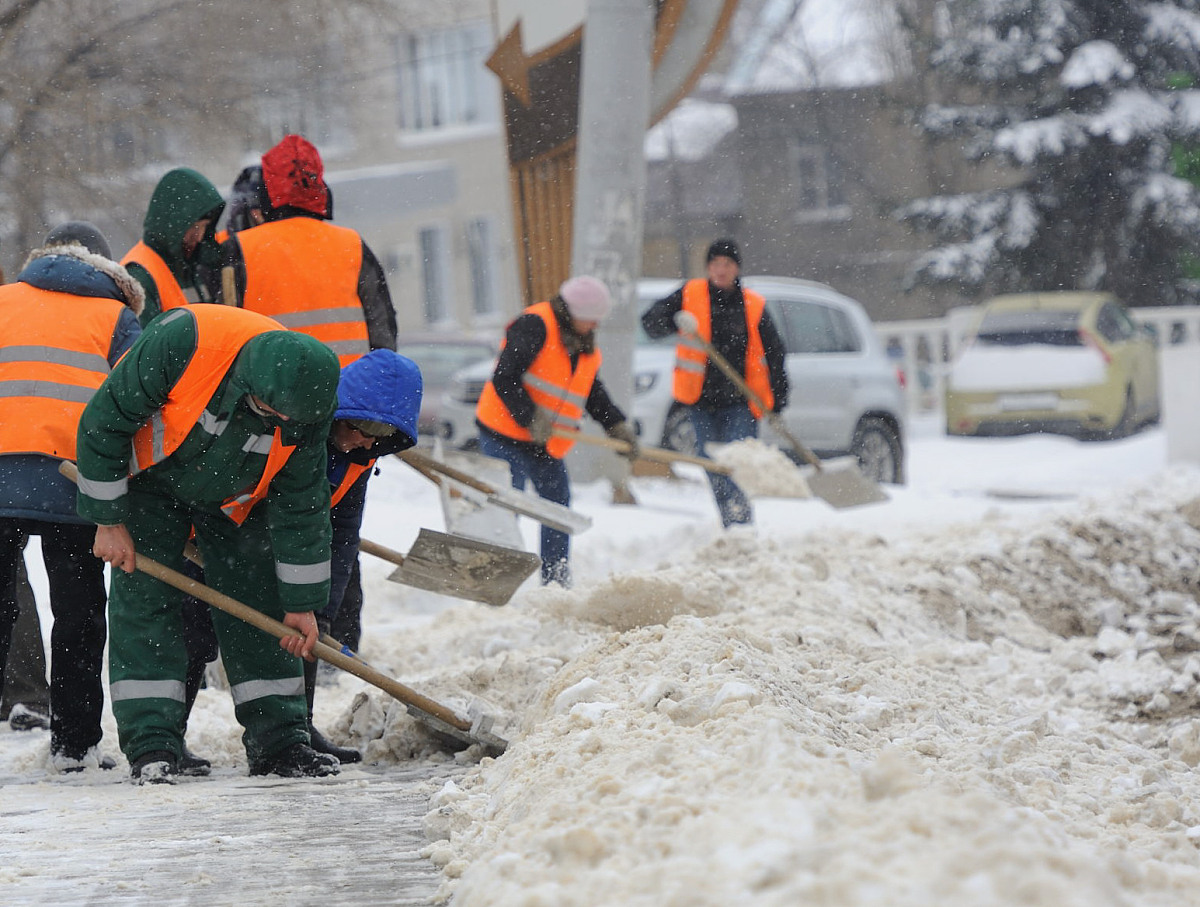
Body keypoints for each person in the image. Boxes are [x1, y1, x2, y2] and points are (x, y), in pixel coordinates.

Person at [75, 303, 342, 784]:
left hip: (236, 497)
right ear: (256, 389)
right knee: (145, 604)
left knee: (260, 605)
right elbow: (103, 422)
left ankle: (280, 743)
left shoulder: (309, 399)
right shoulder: (183, 341)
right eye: (275, 415)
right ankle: (153, 745)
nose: (285, 425)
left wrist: (303, 604)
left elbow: (302, 504)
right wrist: (108, 521)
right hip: (151, 484)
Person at [0, 222, 144, 771]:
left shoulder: (4, 301)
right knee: (79, 614)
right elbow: (138, 408)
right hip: (77, 485)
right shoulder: (115, 317)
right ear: (104, 269)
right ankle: (75, 744)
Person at [475, 276, 638, 586]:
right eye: (590, 319)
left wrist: (616, 426)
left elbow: (591, 391)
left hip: (545, 444)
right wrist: (531, 418)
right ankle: (490, 583)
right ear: (573, 312)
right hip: (503, 434)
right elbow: (505, 377)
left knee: (557, 511)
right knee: (506, 509)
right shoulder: (534, 325)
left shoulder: (584, 343)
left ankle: (555, 584)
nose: (594, 326)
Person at [306, 349, 422, 761]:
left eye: (384, 435)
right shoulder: (302, 434)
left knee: (309, 627)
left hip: (308, 538)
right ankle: (162, 744)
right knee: (195, 636)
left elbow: (342, 537)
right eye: (366, 426)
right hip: (234, 539)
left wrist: (320, 609)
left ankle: (296, 729)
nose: (369, 440)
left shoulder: (360, 454)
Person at [641, 238, 789, 528]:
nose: (721, 270)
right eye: (715, 264)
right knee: (712, 465)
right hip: (701, 400)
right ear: (708, 267)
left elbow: (775, 353)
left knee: (737, 464)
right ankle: (730, 521)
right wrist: (674, 321)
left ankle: (741, 523)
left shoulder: (753, 306)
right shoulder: (689, 294)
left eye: (727, 264)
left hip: (740, 402)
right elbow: (650, 324)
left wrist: (779, 402)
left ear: (737, 269)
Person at [217, 134, 397, 364]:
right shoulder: (351, 244)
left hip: (271, 393)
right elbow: (383, 332)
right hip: (347, 391)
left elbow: (225, 333)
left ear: (265, 194)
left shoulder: (240, 249)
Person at [122, 167, 226, 326]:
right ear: (173, 225)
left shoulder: (190, 263)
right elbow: (143, 346)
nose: (199, 237)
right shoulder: (138, 275)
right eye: (195, 227)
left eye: (205, 227)